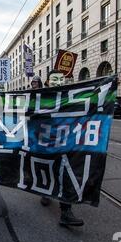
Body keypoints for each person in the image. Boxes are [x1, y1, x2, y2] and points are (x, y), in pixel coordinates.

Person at [37, 71, 84, 227]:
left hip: (65, 142)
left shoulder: (71, 96)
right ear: (48, 82)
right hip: (46, 140)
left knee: (65, 174)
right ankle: (45, 192)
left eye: (61, 79)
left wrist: (110, 87)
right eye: (54, 79)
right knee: (48, 169)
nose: (58, 82)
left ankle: (66, 212)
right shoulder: (41, 97)